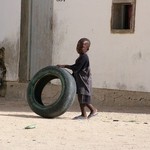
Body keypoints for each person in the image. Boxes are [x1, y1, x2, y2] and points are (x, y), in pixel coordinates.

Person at [57, 38, 98, 119]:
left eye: (82, 47)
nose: (79, 48)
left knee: (84, 99)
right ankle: (83, 114)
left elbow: (76, 68)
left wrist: (65, 66)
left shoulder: (84, 57)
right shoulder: (81, 57)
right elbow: (76, 70)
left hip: (84, 81)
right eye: (78, 45)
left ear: (87, 49)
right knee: (80, 98)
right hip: (79, 80)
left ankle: (93, 110)